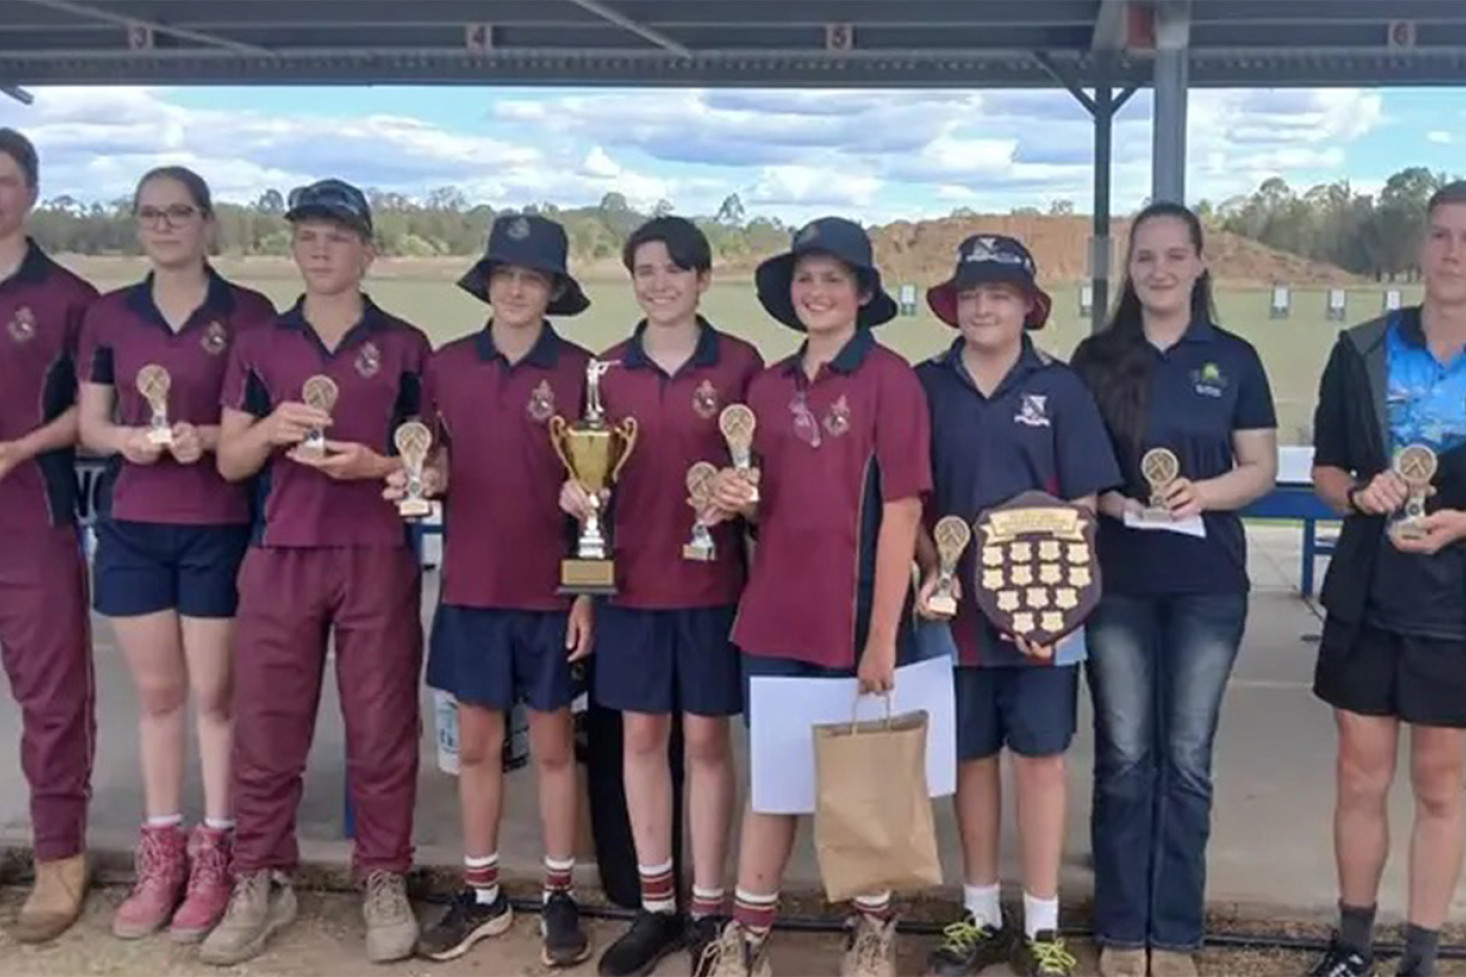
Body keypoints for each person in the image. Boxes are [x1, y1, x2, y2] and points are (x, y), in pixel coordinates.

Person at [199, 179, 430, 966]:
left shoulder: (404, 343)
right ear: (292, 246)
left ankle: (384, 874)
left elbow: (430, 466)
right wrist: (267, 428)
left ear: (367, 248)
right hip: (281, 552)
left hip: (375, 554)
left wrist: (377, 465)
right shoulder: (263, 343)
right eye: (308, 236)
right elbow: (230, 461)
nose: (321, 249)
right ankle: (261, 874)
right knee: (268, 726)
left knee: (381, 726)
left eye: (337, 235)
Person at [699, 216, 931, 977]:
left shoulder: (891, 378)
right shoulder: (765, 384)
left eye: (834, 278)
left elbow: (903, 509)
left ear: (863, 291)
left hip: (859, 615)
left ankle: (872, 926)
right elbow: (769, 503)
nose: (818, 291)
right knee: (774, 778)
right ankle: (749, 930)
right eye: (806, 278)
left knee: (860, 786)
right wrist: (736, 500)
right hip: (774, 614)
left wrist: (883, 635)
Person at [1070, 202, 1278, 977]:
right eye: (1144, 257)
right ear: (1129, 268)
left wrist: (1206, 493)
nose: (1159, 270)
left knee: (1186, 757)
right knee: (1125, 755)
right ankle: (1123, 930)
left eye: (1173, 255)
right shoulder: (1095, 358)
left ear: (1199, 264)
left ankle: (1177, 932)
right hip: (1117, 586)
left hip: (1208, 587)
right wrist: (1114, 500)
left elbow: (1257, 466)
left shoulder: (1235, 357)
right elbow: (1074, 463)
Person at [558, 216, 763, 977]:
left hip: (713, 588)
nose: (661, 283)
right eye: (646, 269)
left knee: (707, 744)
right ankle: (655, 907)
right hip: (631, 589)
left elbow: (767, 478)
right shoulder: (604, 373)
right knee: (640, 741)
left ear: (704, 279)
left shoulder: (740, 365)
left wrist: (746, 497)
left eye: (676, 269)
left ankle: (710, 908)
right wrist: (579, 519)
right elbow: (590, 495)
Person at [76, 166, 276, 943]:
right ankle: (162, 851)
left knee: (217, 695)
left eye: (179, 212)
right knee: (159, 695)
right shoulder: (109, 314)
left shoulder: (248, 312)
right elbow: (93, 422)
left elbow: (256, 427)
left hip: (218, 523)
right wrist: (128, 437)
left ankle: (219, 846)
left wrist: (212, 439)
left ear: (207, 222)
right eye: (150, 213)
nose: (164, 225)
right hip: (132, 521)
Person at [914, 235, 1120, 977]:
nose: (983, 306)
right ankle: (980, 914)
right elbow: (913, 503)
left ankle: (1041, 925)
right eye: (970, 294)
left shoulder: (1060, 388)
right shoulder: (926, 383)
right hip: (954, 615)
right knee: (971, 759)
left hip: (1046, 613)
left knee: (1040, 760)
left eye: (999, 294)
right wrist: (933, 573)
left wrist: (1054, 605)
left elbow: (1086, 500)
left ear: (1028, 304)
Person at [402, 213, 597, 969]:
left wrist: (587, 596)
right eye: (506, 276)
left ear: (554, 289)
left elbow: (595, 497)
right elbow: (432, 461)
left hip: (552, 593)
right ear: (487, 282)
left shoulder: (583, 370)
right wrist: (425, 477)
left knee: (553, 749)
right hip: (472, 590)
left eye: (533, 278)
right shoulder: (447, 365)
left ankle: (557, 892)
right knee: (478, 747)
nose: (517, 290)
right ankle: (482, 892)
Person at [1304, 180, 1466, 977]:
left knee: (1441, 784)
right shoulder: (1362, 348)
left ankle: (1423, 954)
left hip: (1455, 607)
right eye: (1440, 235)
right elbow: (1328, 467)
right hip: (1368, 595)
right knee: (1359, 776)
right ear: (1420, 246)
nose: (1453, 252)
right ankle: (1356, 944)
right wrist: (1358, 494)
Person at [0, 126, 99, 945]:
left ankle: (60, 855)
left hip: (31, 513)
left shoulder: (68, 299)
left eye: (1, 179)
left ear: (30, 188)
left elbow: (95, 413)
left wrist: (24, 446)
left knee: (51, 695)